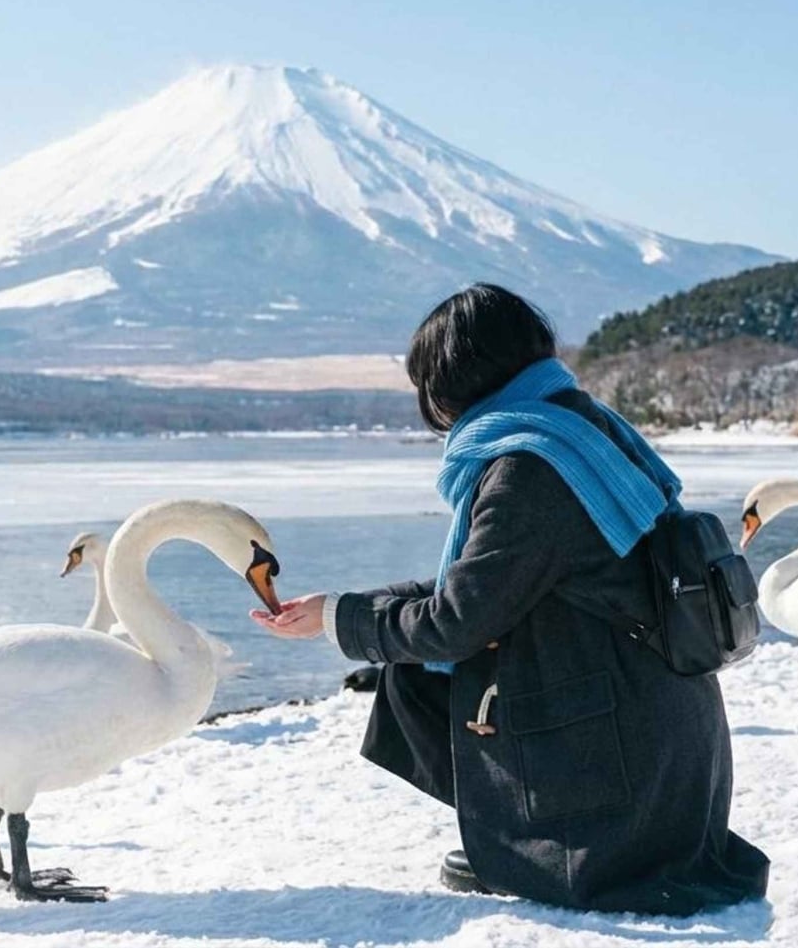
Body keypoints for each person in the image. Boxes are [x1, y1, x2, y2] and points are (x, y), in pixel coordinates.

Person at [253, 284, 769, 916]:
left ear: (453, 380)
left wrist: (341, 620)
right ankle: (514, 830)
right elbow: (488, 586)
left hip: (626, 783)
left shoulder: (532, 467)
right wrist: (343, 608)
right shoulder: (580, 425)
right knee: (408, 672)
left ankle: (542, 846)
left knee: (416, 664)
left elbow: (456, 624)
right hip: (663, 743)